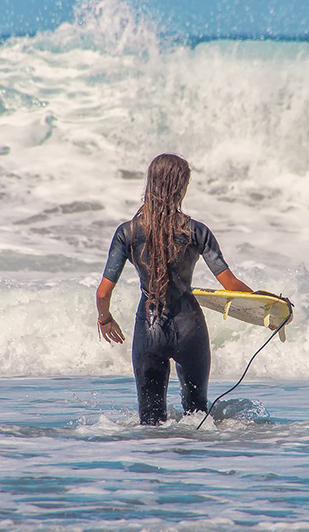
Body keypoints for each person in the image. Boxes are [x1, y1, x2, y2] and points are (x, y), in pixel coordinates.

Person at [95, 153, 254, 425]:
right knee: (197, 418)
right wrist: (263, 302)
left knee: (150, 422)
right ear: (181, 188)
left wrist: (105, 318)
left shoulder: (127, 233)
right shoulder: (196, 231)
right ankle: (189, 466)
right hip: (190, 328)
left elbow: (102, 293)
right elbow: (230, 285)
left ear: (150, 184)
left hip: (149, 328)